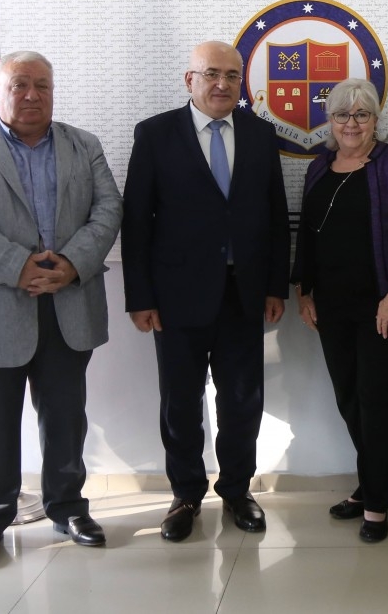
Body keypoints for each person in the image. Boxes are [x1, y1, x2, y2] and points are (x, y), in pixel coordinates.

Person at [0, 51, 122, 568]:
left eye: (43, 85)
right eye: (19, 85)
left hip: (68, 302)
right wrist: (18, 267)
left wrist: (72, 263)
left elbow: (109, 209)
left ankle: (68, 507)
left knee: (65, 417)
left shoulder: (84, 145)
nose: (32, 95)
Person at [121, 41, 290, 540]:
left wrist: (275, 286)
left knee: (242, 401)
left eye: (232, 76)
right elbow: (136, 221)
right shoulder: (155, 134)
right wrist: (140, 297)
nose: (222, 84)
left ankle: (237, 490)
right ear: (189, 79)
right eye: (211, 74)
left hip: (244, 294)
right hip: (175, 298)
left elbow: (275, 216)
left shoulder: (260, 134)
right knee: (180, 403)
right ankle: (186, 495)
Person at [292, 79, 388, 543]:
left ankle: (375, 504)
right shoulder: (319, 167)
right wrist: (304, 291)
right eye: (341, 115)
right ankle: (370, 484)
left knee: (378, 403)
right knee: (350, 399)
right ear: (329, 120)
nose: (351, 124)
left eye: (361, 114)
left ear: (375, 119)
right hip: (331, 306)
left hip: (382, 306)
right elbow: (308, 234)